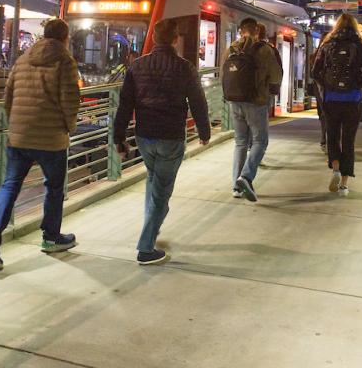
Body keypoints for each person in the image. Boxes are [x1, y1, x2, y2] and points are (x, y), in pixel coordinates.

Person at [0, 19, 81, 270]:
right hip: (51, 137)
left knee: (9, 185)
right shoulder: (65, 61)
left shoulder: (22, 59)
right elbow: (70, 100)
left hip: (19, 136)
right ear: (65, 38)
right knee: (55, 187)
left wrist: (16, 125)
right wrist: (69, 127)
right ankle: (51, 237)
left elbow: (8, 97)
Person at [113, 18, 210, 265]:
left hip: (144, 137)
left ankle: (152, 226)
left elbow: (125, 104)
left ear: (155, 38)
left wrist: (119, 137)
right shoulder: (185, 68)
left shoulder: (137, 66)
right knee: (161, 193)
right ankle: (146, 247)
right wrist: (204, 131)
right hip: (170, 137)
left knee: (154, 181)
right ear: (175, 40)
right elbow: (198, 102)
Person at [311, 13, 362, 197]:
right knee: (348, 141)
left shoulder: (327, 46)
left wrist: (328, 86)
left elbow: (315, 72)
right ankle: (344, 185)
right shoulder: (360, 47)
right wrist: (356, 85)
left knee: (332, 136)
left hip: (331, 99)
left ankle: (336, 170)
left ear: (336, 27)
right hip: (354, 100)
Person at [222, 17, 282, 202]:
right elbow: (276, 75)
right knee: (260, 141)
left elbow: (223, 75)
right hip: (256, 102)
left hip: (234, 101)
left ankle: (236, 187)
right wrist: (270, 92)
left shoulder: (231, 49)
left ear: (240, 30)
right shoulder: (264, 49)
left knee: (240, 142)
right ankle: (246, 177)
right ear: (256, 30)